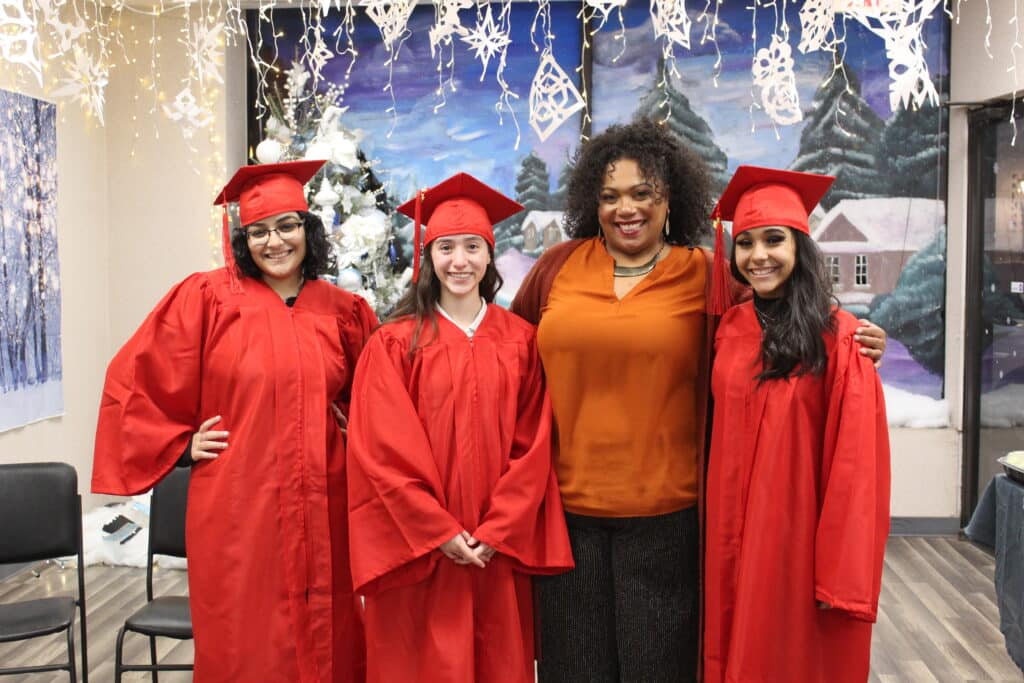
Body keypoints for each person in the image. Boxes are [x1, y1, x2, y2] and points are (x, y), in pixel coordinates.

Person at [510, 118, 888, 682]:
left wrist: (853, 336)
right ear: (592, 200)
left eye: (644, 193)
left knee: (657, 669)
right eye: (610, 196)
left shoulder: (707, 275)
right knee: (573, 670)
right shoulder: (557, 268)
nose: (626, 208)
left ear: (671, 199)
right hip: (566, 517)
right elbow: (503, 350)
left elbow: (779, 311)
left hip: (669, 519)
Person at [92, 160, 377, 683]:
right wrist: (180, 445)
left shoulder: (344, 310)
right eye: (259, 231)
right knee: (245, 640)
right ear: (242, 239)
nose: (274, 242)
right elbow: (135, 378)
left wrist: (354, 429)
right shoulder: (206, 298)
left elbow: (381, 401)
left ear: (307, 230)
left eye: (287, 226)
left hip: (323, 502)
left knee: (330, 629)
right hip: (238, 506)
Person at [345, 172, 574, 683]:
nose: (460, 262)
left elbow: (533, 447)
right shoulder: (394, 344)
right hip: (420, 551)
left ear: (490, 255)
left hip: (495, 551)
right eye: (445, 248)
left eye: (473, 247)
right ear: (428, 259)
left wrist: (497, 531)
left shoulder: (521, 342)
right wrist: (438, 530)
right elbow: (381, 451)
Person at [703, 166, 890, 683]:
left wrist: (840, 571)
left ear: (800, 246)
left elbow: (857, 466)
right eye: (745, 243)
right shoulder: (730, 327)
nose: (757, 255)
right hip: (728, 529)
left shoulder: (840, 338)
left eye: (773, 240)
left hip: (797, 537)